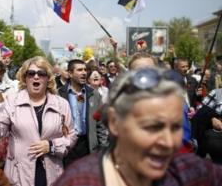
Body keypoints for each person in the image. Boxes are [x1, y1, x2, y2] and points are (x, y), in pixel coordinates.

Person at [55, 67, 222, 186]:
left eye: (175, 127)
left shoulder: (190, 172)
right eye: (152, 127)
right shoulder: (80, 180)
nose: (169, 142)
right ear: (114, 123)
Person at [0, 56, 77, 186]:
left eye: (41, 74)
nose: (36, 77)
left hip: (51, 174)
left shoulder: (61, 104)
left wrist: (52, 146)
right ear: (25, 78)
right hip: (19, 175)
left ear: (48, 79)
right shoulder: (12, 101)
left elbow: (71, 136)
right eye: (31, 73)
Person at [58, 59, 108, 167]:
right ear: (70, 73)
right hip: (67, 147)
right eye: (80, 70)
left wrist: (103, 149)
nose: (84, 73)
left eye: (85, 70)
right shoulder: (59, 95)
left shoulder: (94, 95)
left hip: (88, 146)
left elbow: (100, 125)